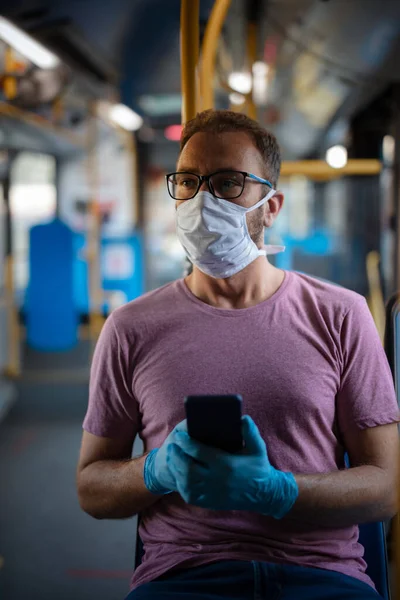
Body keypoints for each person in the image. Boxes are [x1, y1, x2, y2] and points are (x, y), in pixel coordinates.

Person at [77, 109, 400, 600]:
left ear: (272, 206)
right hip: (186, 576)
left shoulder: (341, 315)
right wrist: (155, 470)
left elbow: (387, 486)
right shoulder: (131, 328)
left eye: (228, 183)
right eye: (188, 182)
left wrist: (278, 491)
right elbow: (92, 488)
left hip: (321, 574)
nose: (201, 200)